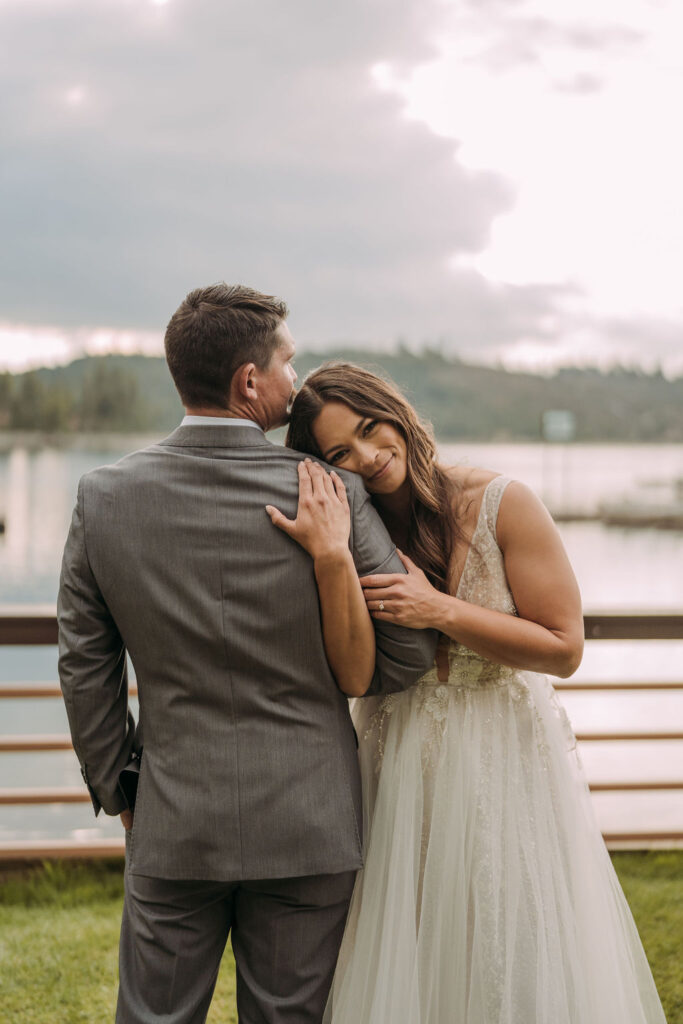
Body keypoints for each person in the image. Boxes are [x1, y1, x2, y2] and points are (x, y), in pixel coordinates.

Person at [57, 285, 437, 1024]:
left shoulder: (102, 497)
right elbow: (407, 654)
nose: (296, 383)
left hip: (173, 819)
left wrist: (121, 789)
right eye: (287, 363)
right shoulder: (328, 491)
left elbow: (84, 666)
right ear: (249, 382)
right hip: (311, 818)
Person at [280, 362, 667, 1024]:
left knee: (503, 933)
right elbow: (346, 666)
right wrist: (330, 557)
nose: (368, 458)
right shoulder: (347, 527)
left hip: (499, 754)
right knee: (400, 940)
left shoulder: (500, 502)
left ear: (396, 413)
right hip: (390, 749)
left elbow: (564, 649)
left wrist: (439, 610)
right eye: (340, 452)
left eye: (372, 430)